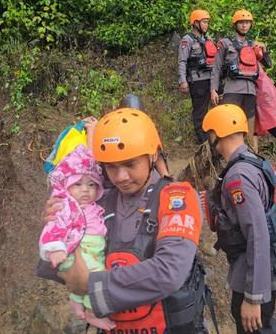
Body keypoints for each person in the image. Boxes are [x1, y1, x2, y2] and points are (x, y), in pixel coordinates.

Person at [42, 108, 210, 333]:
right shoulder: (99, 202)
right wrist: (57, 226)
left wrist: (93, 285)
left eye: (130, 164)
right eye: (111, 166)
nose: (120, 176)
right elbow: (61, 268)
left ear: (152, 155)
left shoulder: (177, 197)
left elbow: (169, 271)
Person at [202, 104, 276, 334]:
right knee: (267, 326)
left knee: (255, 327)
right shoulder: (253, 161)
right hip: (264, 265)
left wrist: (253, 297)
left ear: (216, 134)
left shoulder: (238, 177)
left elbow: (257, 235)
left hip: (256, 273)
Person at [38, 145, 115, 330]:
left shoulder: (92, 206)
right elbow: (54, 227)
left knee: (90, 276)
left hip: (91, 250)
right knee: (96, 277)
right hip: (76, 251)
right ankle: (92, 312)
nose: (86, 190)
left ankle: (76, 301)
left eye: (91, 185)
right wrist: (55, 249)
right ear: (66, 186)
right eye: (78, 184)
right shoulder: (66, 206)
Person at [211, 9, 271, 149]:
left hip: (250, 91)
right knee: (228, 125)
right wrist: (213, 90)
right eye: (241, 23)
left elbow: (268, 64)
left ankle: (250, 157)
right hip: (232, 89)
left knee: (248, 128)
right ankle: (219, 154)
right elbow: (216, 68)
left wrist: (264, 49)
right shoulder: (225, 43)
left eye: (247, 23)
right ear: (235, 24)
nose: (244, 25)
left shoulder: (253, 44)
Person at [179, 9, 216, 143]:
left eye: (207, 23)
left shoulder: (208, 40)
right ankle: (203, 141)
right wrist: (183, 81)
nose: (206, 25)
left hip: (210, 80)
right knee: (200, 111)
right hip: (197, 81)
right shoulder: (187, 40)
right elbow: (182, 61)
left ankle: (213, 138)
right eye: (204, 22)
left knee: (214, 109)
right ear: (195, 23)